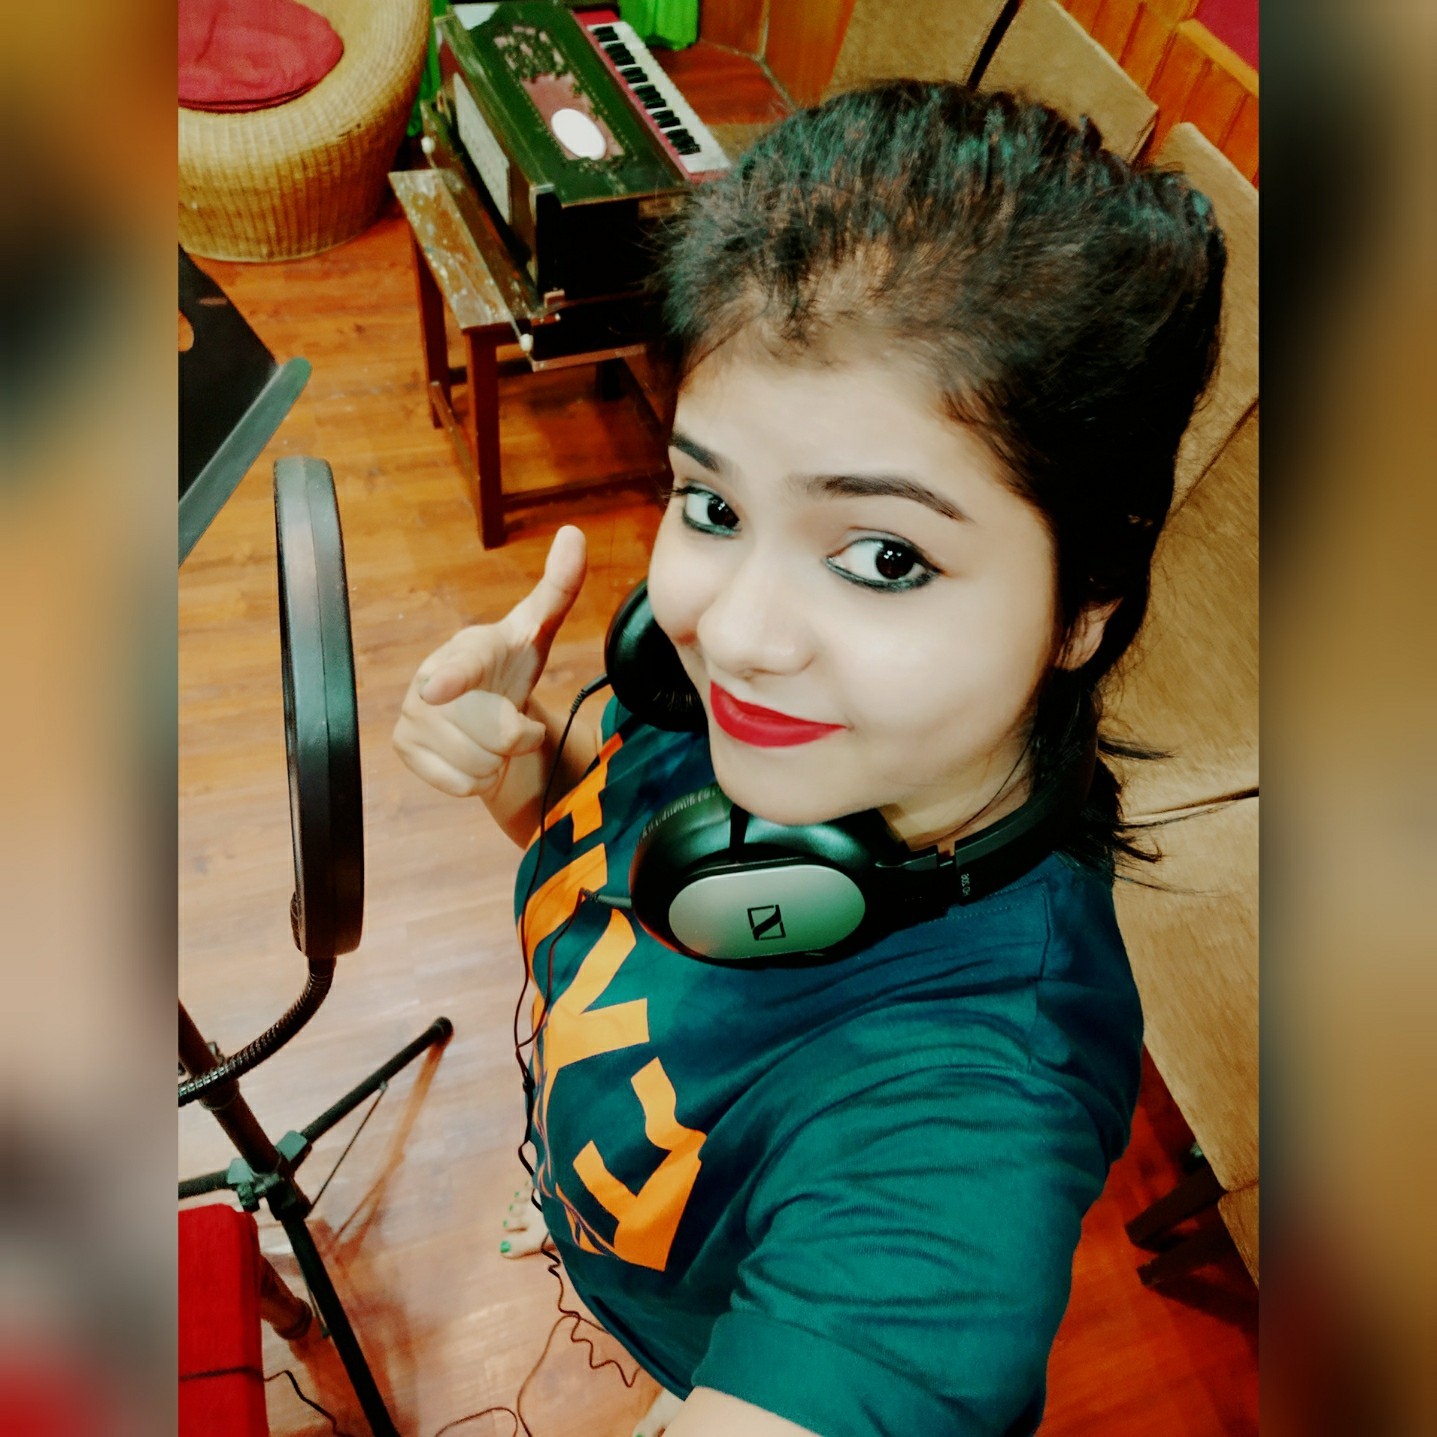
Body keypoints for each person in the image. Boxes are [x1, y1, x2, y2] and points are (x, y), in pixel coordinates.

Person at [393, 81, 1225, 1437]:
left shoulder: (970, 1112)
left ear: (1087, 601)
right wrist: (521, 774)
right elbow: (595, 847)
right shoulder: (705, 699)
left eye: (884, 556)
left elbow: (889, 1334)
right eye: (711, 503)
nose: (732, 634)